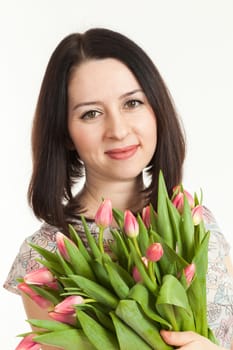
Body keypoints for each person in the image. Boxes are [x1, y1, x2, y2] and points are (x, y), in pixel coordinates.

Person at [3, 28, 233, 350]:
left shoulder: (195, 220)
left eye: (133, 103)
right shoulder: (46, 255)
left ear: (156, 109)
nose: (119, 129)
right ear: (66, 132)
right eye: (91, 113)